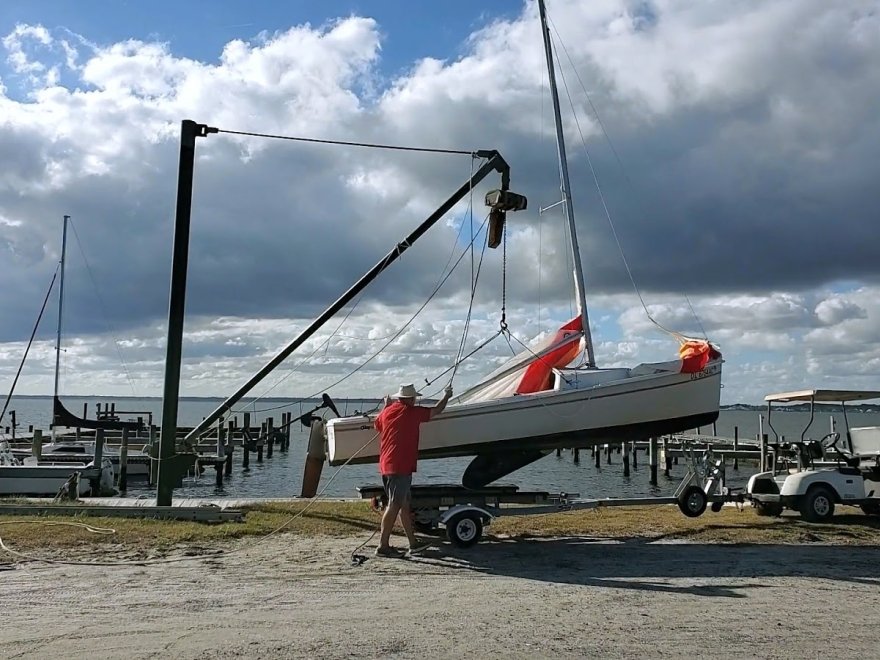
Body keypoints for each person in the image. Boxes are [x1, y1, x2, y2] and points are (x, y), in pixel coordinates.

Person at [373, 382, 452, 557]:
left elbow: (377, 425)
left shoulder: (387, 411)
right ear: (410, 399)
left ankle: (413, 543)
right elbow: (437, 410)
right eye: (414, 398)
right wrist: (446, 396)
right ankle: (383, 546)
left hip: (388, 465)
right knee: (394, 504)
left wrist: (385, 406)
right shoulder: (412, 412)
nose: (415, 400)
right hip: (399, 466)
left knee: (404, 505)